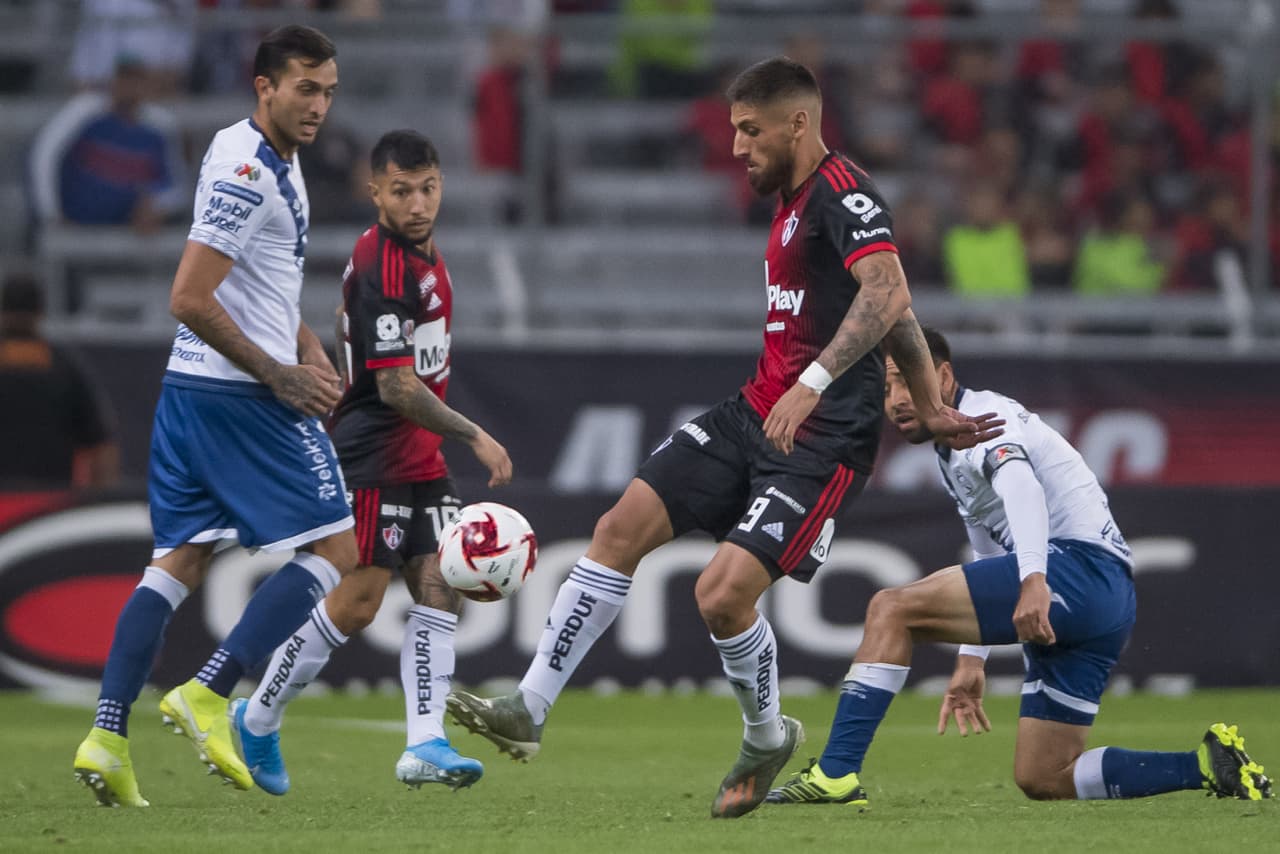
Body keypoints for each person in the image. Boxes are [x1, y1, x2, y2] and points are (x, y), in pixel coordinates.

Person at [447, 56, 1001, 820]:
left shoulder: (845, 192)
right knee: (617, 529)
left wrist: (821, 388)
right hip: (754, 414)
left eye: (750, 130)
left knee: (719, 595)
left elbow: (890, 291)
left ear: (798, 123)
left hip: (822, 441)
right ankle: (531, 708)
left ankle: (766, 734)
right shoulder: (789, 201)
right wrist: (932, 399)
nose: (736, 146)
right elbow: (894, 314)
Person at [764, 328, 1273, 810]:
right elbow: (988, 553)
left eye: (904, 380)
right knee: (1045, 775)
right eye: (885, 386)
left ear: (940, 377)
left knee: (891, 609)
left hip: (1076, 570)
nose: (894, 399)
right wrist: (972, 659)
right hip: (1106, 595)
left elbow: (1024, 490)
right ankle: (1208, 765)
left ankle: (834, 775)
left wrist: (1034, 581)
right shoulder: (952, 447)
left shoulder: (984, 418)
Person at [72, 25, 358, 808]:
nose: (319, 106)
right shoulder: (246, 168)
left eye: (329, 90)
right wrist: (279, 374)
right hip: (239, 395)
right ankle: (210, 691)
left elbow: (256, 282)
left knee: (178, 561)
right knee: (341, 541)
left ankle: (106, 734)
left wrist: (302, 343)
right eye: (305, 87)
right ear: (263, 85)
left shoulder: (263, 156)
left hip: (192, 392)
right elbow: (190, 296)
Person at [230, 130, 514, 796]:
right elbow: (394, 386)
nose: (418, 203)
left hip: (419, 455)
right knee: (357, 602)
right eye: (402, 191)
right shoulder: (387, 263)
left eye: (428, 188)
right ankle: (258, 714)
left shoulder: (416, 254)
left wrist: (345, 346)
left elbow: (345, 319)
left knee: (439, 584)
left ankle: (424, 745)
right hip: (375, 452)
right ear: (375, 191)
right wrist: (475, 433)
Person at [28, 55, 185, 233]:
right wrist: (50, 214)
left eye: (136, 80)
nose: (129, 88)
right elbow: (45, 158)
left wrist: (156, 206)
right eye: (124, 79)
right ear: (113, 81)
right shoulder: (85, 111)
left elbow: (176, 188)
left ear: (146, 85)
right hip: (73, 223)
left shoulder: (159, 126)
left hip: (129, 230)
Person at [0, 272, 119, 489]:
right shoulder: (64, 366)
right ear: (40, 312)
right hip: (50, 507)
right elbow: (100, 447)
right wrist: (98, 500)